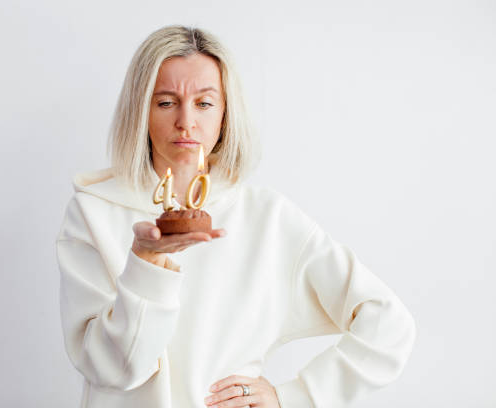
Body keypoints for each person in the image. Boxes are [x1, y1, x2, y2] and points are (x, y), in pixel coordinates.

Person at [55, 25, 416, 408]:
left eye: (204, 103)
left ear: (226, 113)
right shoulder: (92, 212)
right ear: (140, 111)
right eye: (165, 102)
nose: (186, 122)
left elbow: (388, 324)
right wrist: (146, 262)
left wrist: (293, 396)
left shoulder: (267, 217)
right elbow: (113, 371)